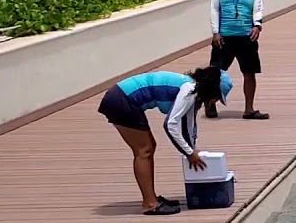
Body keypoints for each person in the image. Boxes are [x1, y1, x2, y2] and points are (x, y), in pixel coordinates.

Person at [97, 67, 233, 215]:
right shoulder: (189, 90)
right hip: (121, 99)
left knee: (149, 147)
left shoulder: (192, 89)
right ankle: (150, 204)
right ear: (211, 89)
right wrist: (189, 153)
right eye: (217, 96)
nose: (215, 101)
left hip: (123, 98)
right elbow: (170, 124)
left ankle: (151, 197)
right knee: (144, 150)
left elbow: (188, 125)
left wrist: (192, 150)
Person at [208, 0, 268, 120]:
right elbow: (214, 8)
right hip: (224, 36)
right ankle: (210, 102)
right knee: (216, 72)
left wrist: (257, 26)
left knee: (249, 73)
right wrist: (215, 32)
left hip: (246, 37)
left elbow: (257, 9)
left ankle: (249, 109)